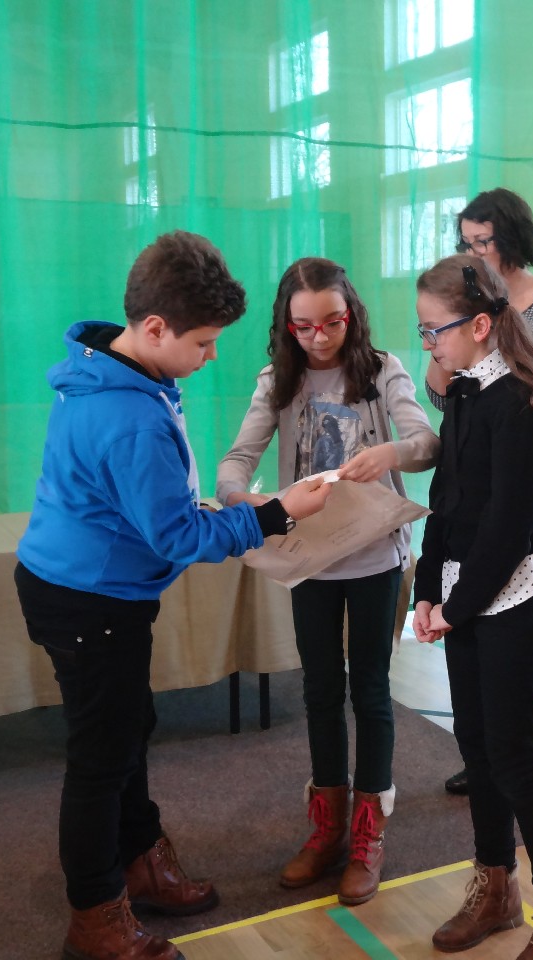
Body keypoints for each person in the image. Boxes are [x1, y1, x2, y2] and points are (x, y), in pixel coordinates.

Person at [14, 231, 333, 960]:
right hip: (89, 600)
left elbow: (156, 510)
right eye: (205, 342)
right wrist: (276, 514)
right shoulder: (128, 415)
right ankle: (95, 917)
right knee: (100, 762)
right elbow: (178, 536)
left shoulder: (112, 371)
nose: (212, 356)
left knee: (129, 728)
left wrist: (228, 510)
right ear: (155, 328)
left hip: (92, 590)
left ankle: (141, 863)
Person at [216, 256, 439, 906]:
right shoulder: (277, 382)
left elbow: (427, 444)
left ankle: (369, 834)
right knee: (318, 690)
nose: (319, 337)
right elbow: (236, 461)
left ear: (352, 315)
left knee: (369, 690)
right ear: (286, 326)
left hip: (373, 558)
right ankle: (328, 828)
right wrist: (241, 498)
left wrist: (391, 452)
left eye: (332, 323)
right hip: (310, 560)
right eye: (304, 326)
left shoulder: (382, 370)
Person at [413, 255, 533, 960]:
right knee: (477, 750)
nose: (428, 343)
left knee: (515, 758)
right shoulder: (463, 393)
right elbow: (447, 502)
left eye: (435, 330)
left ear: (480, 326)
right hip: (469, 593)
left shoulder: (518, 402)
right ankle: (495, 890)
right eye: (423, 331)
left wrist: (455, 608)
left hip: (517, 595)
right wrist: (428, 590)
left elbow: (511, 529)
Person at [429, 188, 533, 797]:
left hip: (532, 483)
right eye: (465, 241)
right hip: (480, 479)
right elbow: (446, 395)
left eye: (483, 241)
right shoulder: (465, 308)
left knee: (515, 635)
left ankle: (507, 753)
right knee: (474, 652)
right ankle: (484, 756)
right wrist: (439, 352)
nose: (474, 252)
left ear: (512, 240)